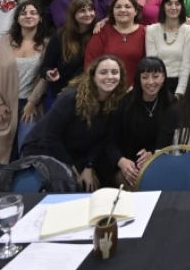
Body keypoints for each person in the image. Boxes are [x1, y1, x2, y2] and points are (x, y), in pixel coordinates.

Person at [22, 55, 128, 191]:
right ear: (93, 76)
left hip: (73, 152)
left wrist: (89, 165)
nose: (109, 76)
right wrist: (72, 170)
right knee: (72, 186)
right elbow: (50, 138)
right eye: (103, 72)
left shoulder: (115, 103)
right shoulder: (71, 98)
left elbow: (103, 140)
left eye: (114, 72)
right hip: (42, 149)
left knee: (92, 185)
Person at [0, 1, 48, 165]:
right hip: (2, 104)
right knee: (1, 155)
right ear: (17, 19)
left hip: (30, 106)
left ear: (40, 18)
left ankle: (24, 187)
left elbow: (45, 77)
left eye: (33, 12)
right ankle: (3, 185)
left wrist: (32, 101)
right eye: (23, 13)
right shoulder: (2, 42)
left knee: (27, 150)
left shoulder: (46, 45)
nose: (28, 16)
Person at [106, 57, 176, 190]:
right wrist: (121, 161)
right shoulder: (124, 103)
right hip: (126, 163)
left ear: (164, 78)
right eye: (145, 77)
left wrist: (154, 153)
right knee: (136, 190)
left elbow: (174, 140)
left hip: (159, 161)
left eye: (156, 76)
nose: (150, 82)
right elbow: (110, 142)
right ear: (138, 79)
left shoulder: (171, 103)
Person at [40, 0, 95, 110]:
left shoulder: (98, 34)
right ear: (73, 14)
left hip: (87, 95)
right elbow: (45, 67)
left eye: (90, 9)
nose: (88, 14)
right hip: (59, 93)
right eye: (82, 10)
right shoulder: (60, 35)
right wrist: (49, 74)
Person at [85, 0, 146, 87]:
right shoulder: (102, 31)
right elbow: (90, 63)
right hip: (105, 88)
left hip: (137, 90)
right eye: (118, 7)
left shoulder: (146, 33)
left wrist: (136, 87)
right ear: (112, 11)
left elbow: (150, 65)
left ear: (136, 11)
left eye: (128, 6)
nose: (122, 10)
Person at [146, 0, 190, 98]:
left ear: (182, 7)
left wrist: (179, 92)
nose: (173, 7)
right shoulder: (152, 30)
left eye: (177, 4)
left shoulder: (189, 30)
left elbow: (186, 64)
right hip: (158, 84)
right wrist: (157, 89)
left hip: (181, 84)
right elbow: (152, 63)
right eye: (169, 3)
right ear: (163, 6)